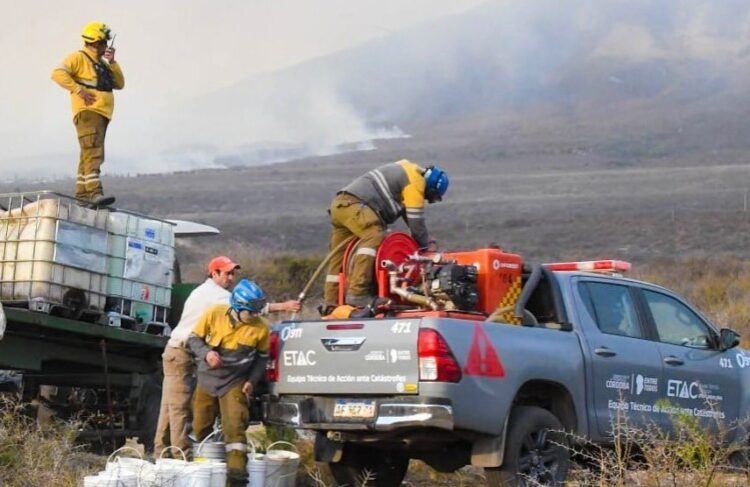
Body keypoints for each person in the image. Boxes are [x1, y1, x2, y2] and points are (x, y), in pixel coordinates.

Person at [153, 256, 299, 459]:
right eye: (226, 273)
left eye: (233, 273)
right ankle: (182, 458)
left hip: (178, 352)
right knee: (180, 408)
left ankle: (162, 453)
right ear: (214, 273)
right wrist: (283, 306)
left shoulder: (209, 292)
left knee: (170, 406)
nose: (231, 277)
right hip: (182, 352)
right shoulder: (214, 295)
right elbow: (249, 306)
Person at [324, 160, 449, 308]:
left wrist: (425, 240)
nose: (426, 199)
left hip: (341, 206)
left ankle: (330, 305)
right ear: (431, 187)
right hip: (356, 205)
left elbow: (411, 221)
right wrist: (425, 249)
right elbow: (416, 223)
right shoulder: (416, 182)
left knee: (338, 258)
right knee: (374, 234)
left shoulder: (407, 171)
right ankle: (358, 294)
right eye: (430, 196)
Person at [188, 279, 270, 486]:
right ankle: (201, 475)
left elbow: (261, 359)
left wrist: (252, 381)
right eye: (251, 312)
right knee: (200, 428)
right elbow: (194, 339)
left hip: (235, 382)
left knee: (235, 429)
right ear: (238, 307)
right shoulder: (214, 313)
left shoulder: (261, 329)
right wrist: (207, 354)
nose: (256, 316)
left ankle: (236, 478)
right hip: (207, 380)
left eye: (258, 311)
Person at [51, 22, 124, 206]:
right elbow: (57, 73)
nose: (106, 45)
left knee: (87, 154)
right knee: (93, 152)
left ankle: (82, 196)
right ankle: (94, 193)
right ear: (94, 42)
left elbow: (119, 84)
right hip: (89, 112)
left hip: (101, 113)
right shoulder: (78, 58)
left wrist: (112, 62)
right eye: (103, 42)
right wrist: (78, 90)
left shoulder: (101, 63)